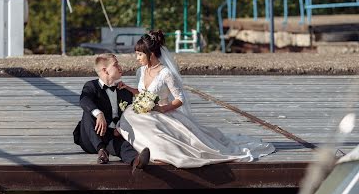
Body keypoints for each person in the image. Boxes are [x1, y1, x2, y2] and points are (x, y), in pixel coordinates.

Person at [116, 31, 275, 168]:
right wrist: (129, 89)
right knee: (130, 115)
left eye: (139, 54)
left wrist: (161, 109)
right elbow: (143, 92)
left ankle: (158, 153)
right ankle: (140, 152)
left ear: (150, 54)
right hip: (146, 111)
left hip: (162, 112)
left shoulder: (166, 74)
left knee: (150, 126)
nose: (137, 58)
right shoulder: (143, 70)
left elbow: (179, 99)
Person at [73, 53, 150, 171]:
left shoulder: (124, 91)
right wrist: (99, 113)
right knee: (88, 112)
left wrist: (119, 127)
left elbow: (128, 114)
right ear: (105, 71)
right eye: (116, 64)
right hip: (90, 138)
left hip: (111, 135)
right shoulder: (92, 86)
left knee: (122, 145)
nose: (120, 67)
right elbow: (84, 100)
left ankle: (136, 161)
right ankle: (101, 149)